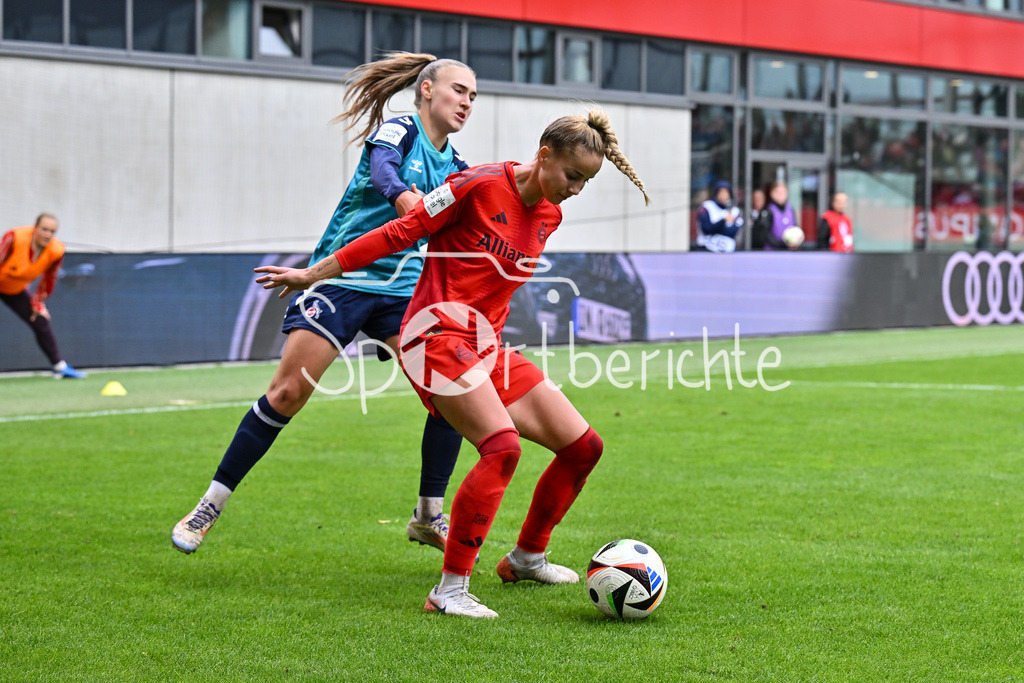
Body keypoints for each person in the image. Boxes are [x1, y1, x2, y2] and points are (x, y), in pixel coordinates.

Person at [255, 109, 650, 618]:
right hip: (433, 338)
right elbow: (397, 233)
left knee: (583, 447)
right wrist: (315, 273)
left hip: (484, 347)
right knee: (502, 448)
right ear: (544, 155)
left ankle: (527, 558)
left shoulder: (550, 215)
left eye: (587, 182)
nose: (576, 189)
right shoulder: (475, 185)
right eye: (573, 175)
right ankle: (450, 590)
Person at [172, 52, 477, 557]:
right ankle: (208, 505)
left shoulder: (459, 167)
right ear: (427, 90)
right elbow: (383, 173)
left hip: (402, 293)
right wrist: (405, 201)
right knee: (288, 392)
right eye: (459, 90)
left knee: (447, 389)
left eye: (472, 96)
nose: (467, 102)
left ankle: (428, 515)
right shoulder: (397, 131)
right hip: (342, 279)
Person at [0, 213, 87, 379]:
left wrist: (37, 302)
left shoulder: (55, 251)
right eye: (44, 229)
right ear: (35, 227)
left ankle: (59, 367)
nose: (48, 234)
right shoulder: (14, 238)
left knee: (40, 319)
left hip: (13, 289)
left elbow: (49, 280)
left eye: (52, 231)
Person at [694, 180, 743, 252]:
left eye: (726, 192)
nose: (723, 195)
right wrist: (723, 221)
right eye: (721, 192)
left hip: (727, 253)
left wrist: (716, 229)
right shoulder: (707, 206)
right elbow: (706, 229)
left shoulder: (735, 211)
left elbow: (732, 232)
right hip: (706, 250)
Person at [757, 180, 800, 250]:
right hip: (772, 252)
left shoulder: (790, 209)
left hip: (788, 251)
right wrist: (781, 245)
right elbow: (764, 234)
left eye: (783, 192)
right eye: (778, 192)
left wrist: (796, 241)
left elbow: (795, 228)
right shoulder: (768, 211)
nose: (780, 195)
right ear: (772, 193)